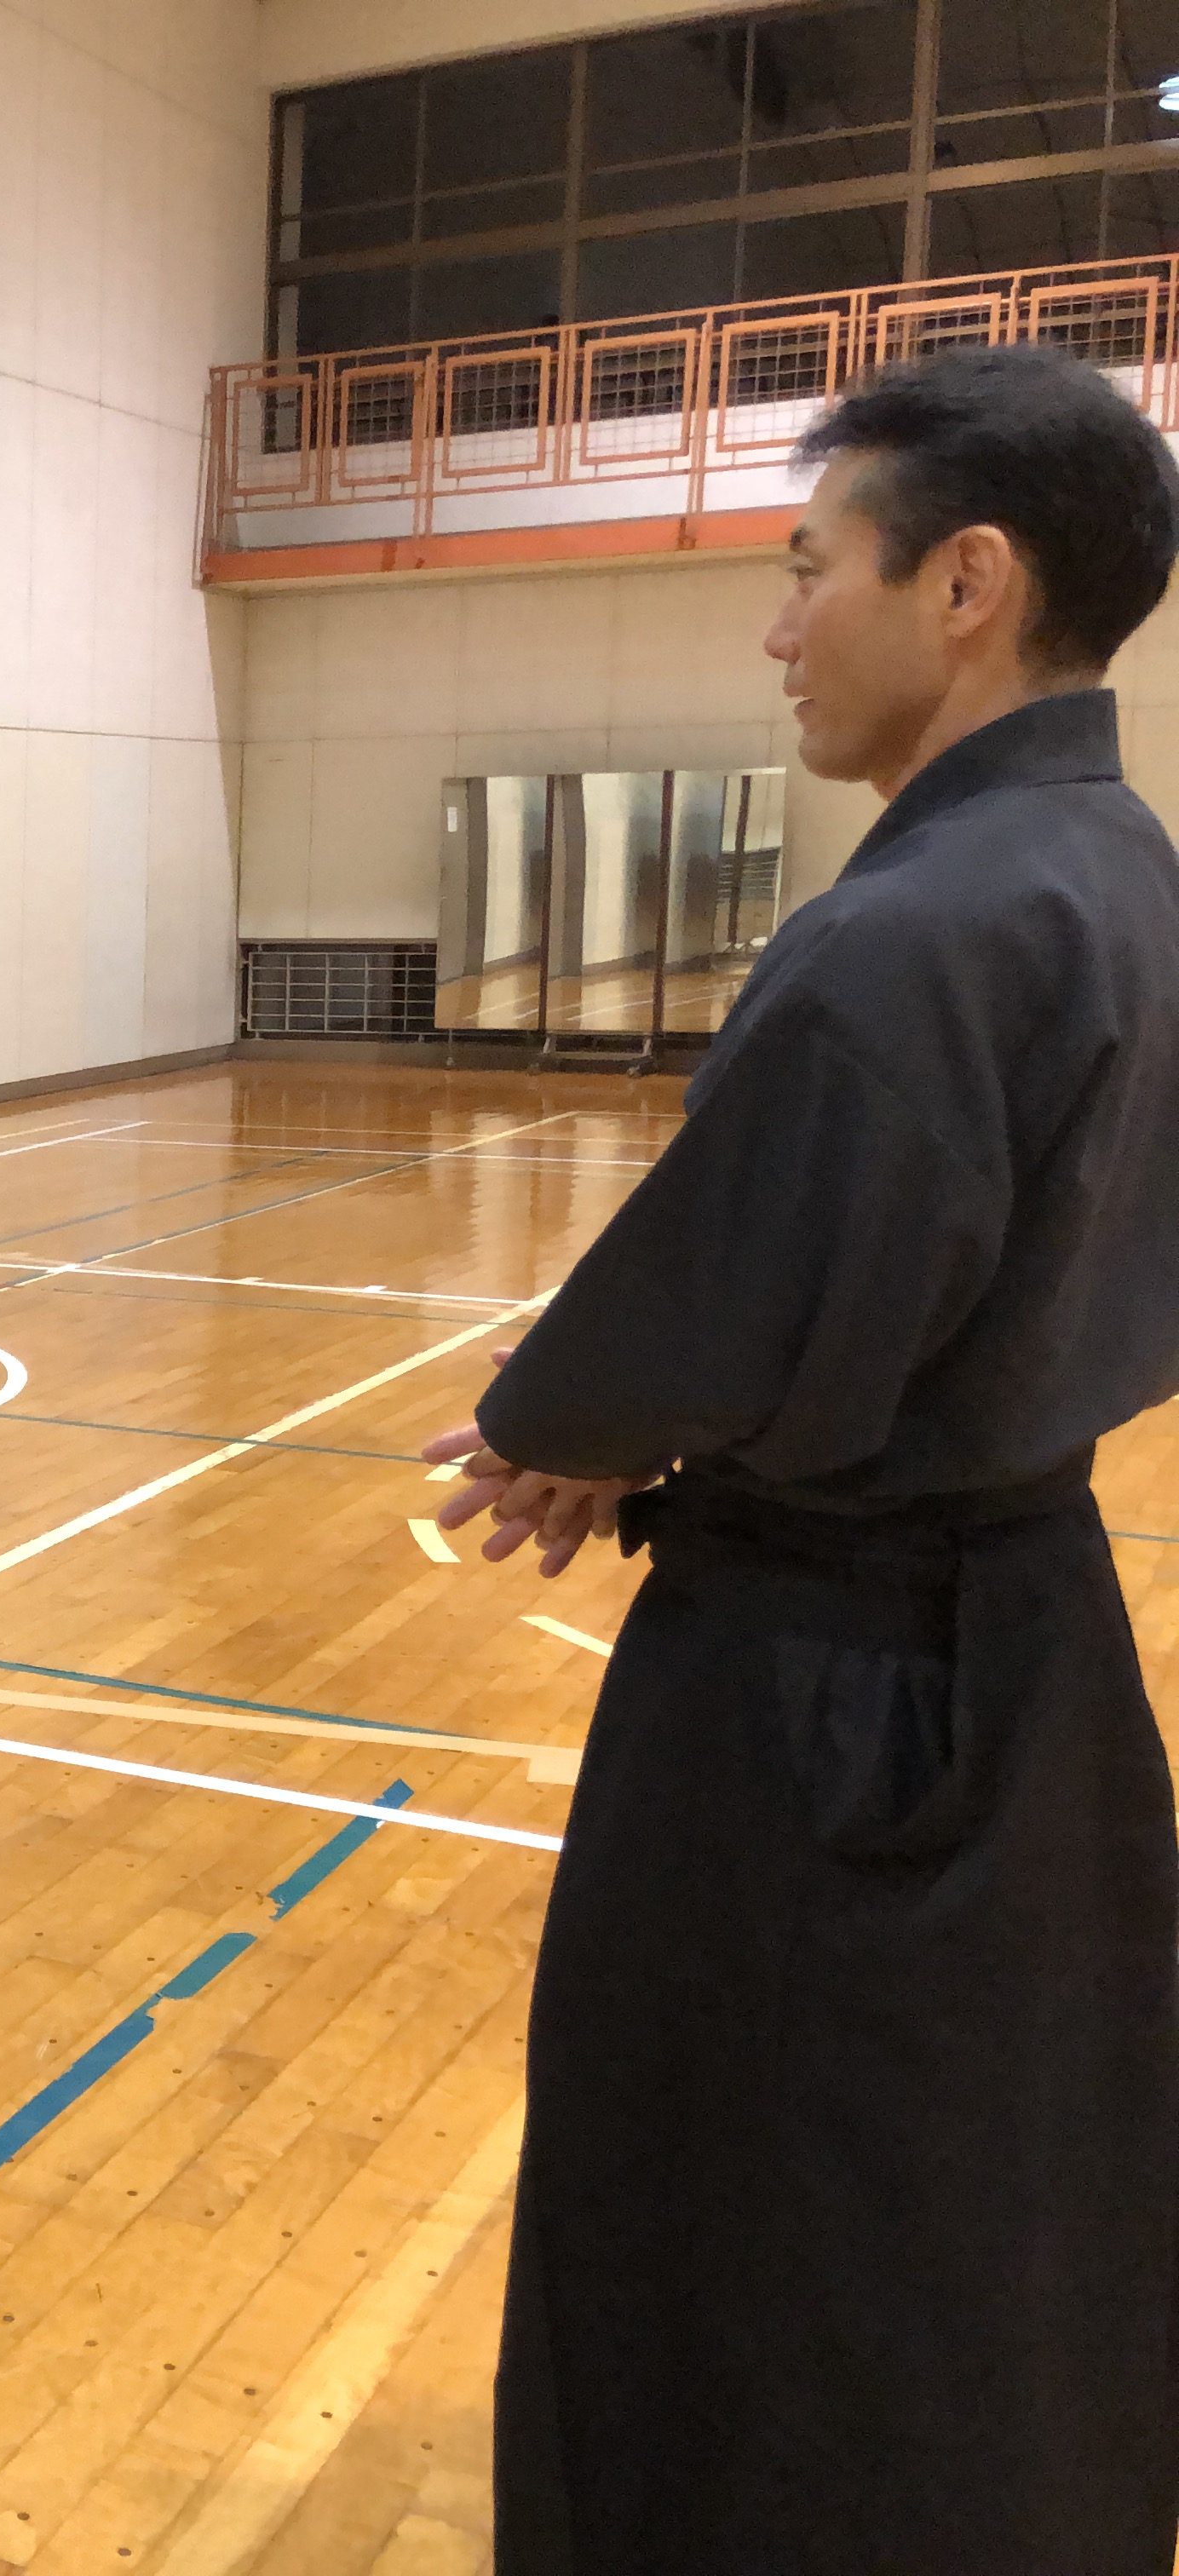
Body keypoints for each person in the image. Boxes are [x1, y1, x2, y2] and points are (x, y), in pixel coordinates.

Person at [428, 343, 1179, 2573]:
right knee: (971, 2218)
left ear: (966, 583)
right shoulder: (1125, 875)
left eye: (803, 569)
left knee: (745, 2220)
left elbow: (719, 1318)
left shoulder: (906, 942)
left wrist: (576, 1440)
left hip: (816, 1698)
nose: (778, 628)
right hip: (1035, 1649)